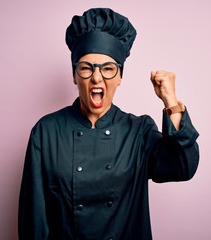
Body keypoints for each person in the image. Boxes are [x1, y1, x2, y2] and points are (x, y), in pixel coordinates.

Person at [18, 8, 199, 240]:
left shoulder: (139, 131)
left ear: (120, 77)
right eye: (85, 68)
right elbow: (33, 220)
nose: (96, 77)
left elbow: (182, 166)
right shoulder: (46, 132)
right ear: (74, 76)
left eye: (108, 68)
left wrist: (170, 101)